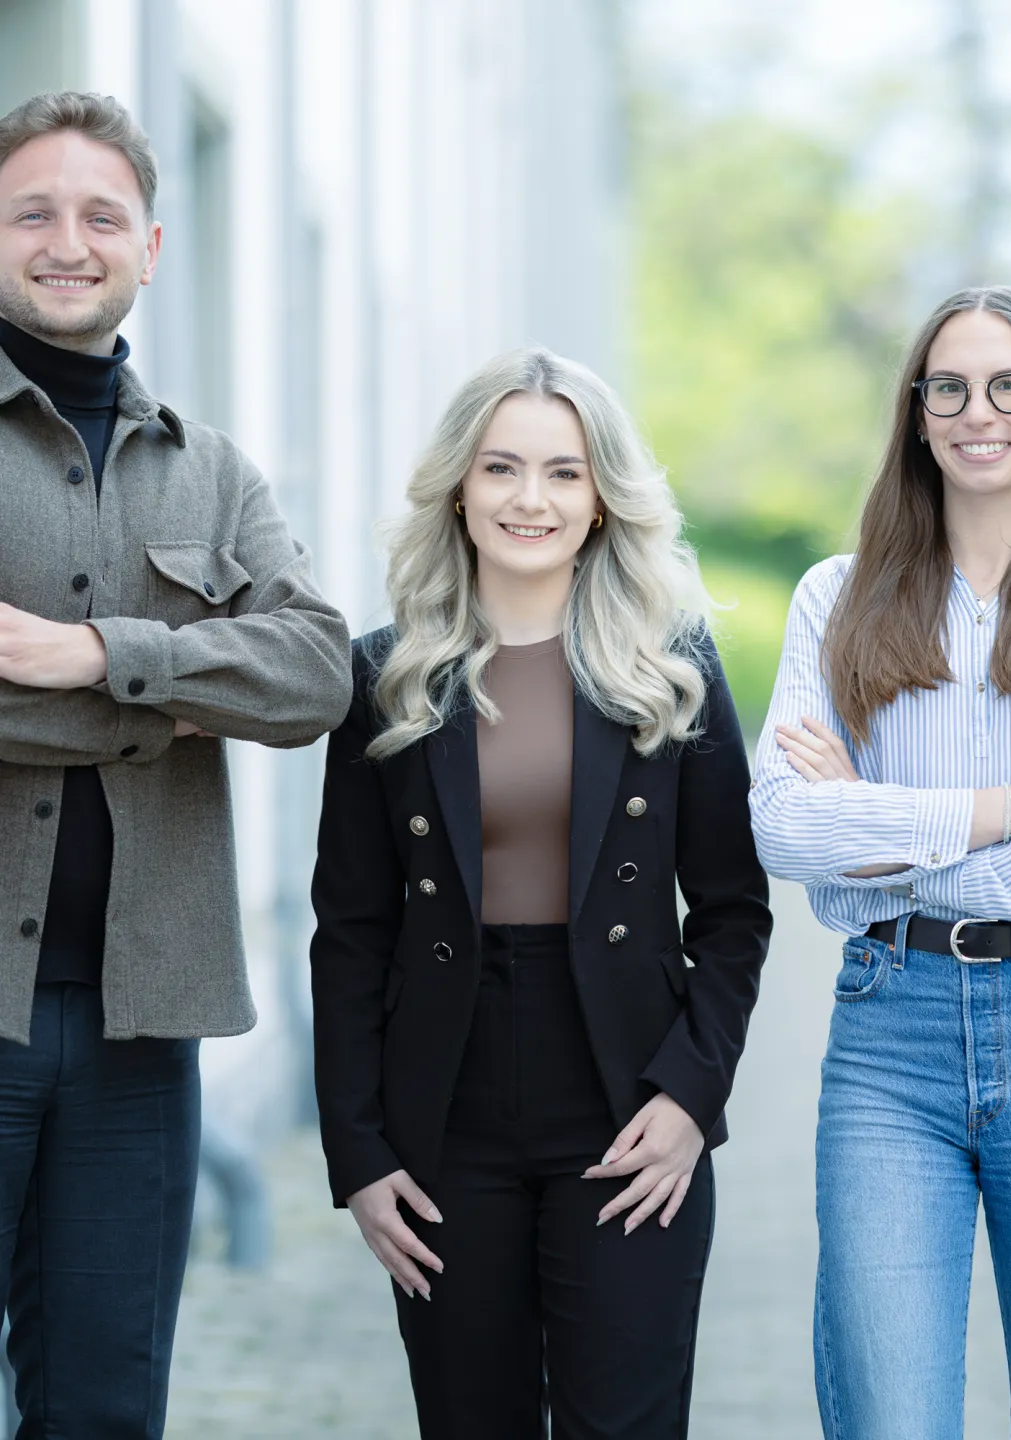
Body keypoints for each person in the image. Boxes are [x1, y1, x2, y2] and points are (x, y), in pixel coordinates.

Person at [310, 347, 771, 1439]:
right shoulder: (386, 678)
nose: (531, 498)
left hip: (626, 1099)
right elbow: (350, 936)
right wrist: (360, 1154)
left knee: (626, 1423)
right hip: (443, 1114)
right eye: (503, 468)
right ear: (459, 489)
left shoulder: (672, 668)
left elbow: (734, 912)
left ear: (604, 496)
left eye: (564, 472)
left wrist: (689, 1098)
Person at [749, 285, 1011, 1439]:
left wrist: (878, 833)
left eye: (1006, 385)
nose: (975, 411)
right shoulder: (835, 601)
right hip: (893, 1035)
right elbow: (786, 832)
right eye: (948, 385)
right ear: (917, 410)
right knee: (890, 1414)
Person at [0, 91, 351, 1436]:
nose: (68, 241)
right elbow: (258, 677)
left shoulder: (216, 475)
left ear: (150, 246)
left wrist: (97, 660)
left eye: (101, 215)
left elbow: (318, 673)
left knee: (105, 1408)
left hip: (145, 1029)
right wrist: (188, 691)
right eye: (35, 210)